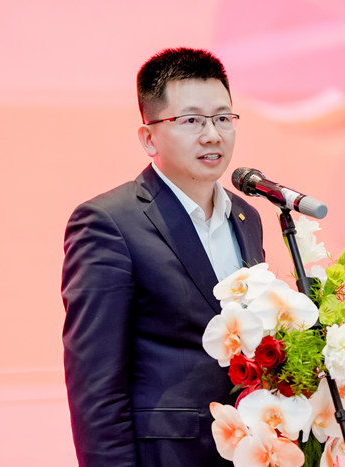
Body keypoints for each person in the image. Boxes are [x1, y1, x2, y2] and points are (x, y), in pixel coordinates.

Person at [61, 47, 264, 467]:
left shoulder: (247, 217)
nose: (213, 135)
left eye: (223, 118)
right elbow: (96, 386)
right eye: (191, 120)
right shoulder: (109, 223)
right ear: (148, 137)